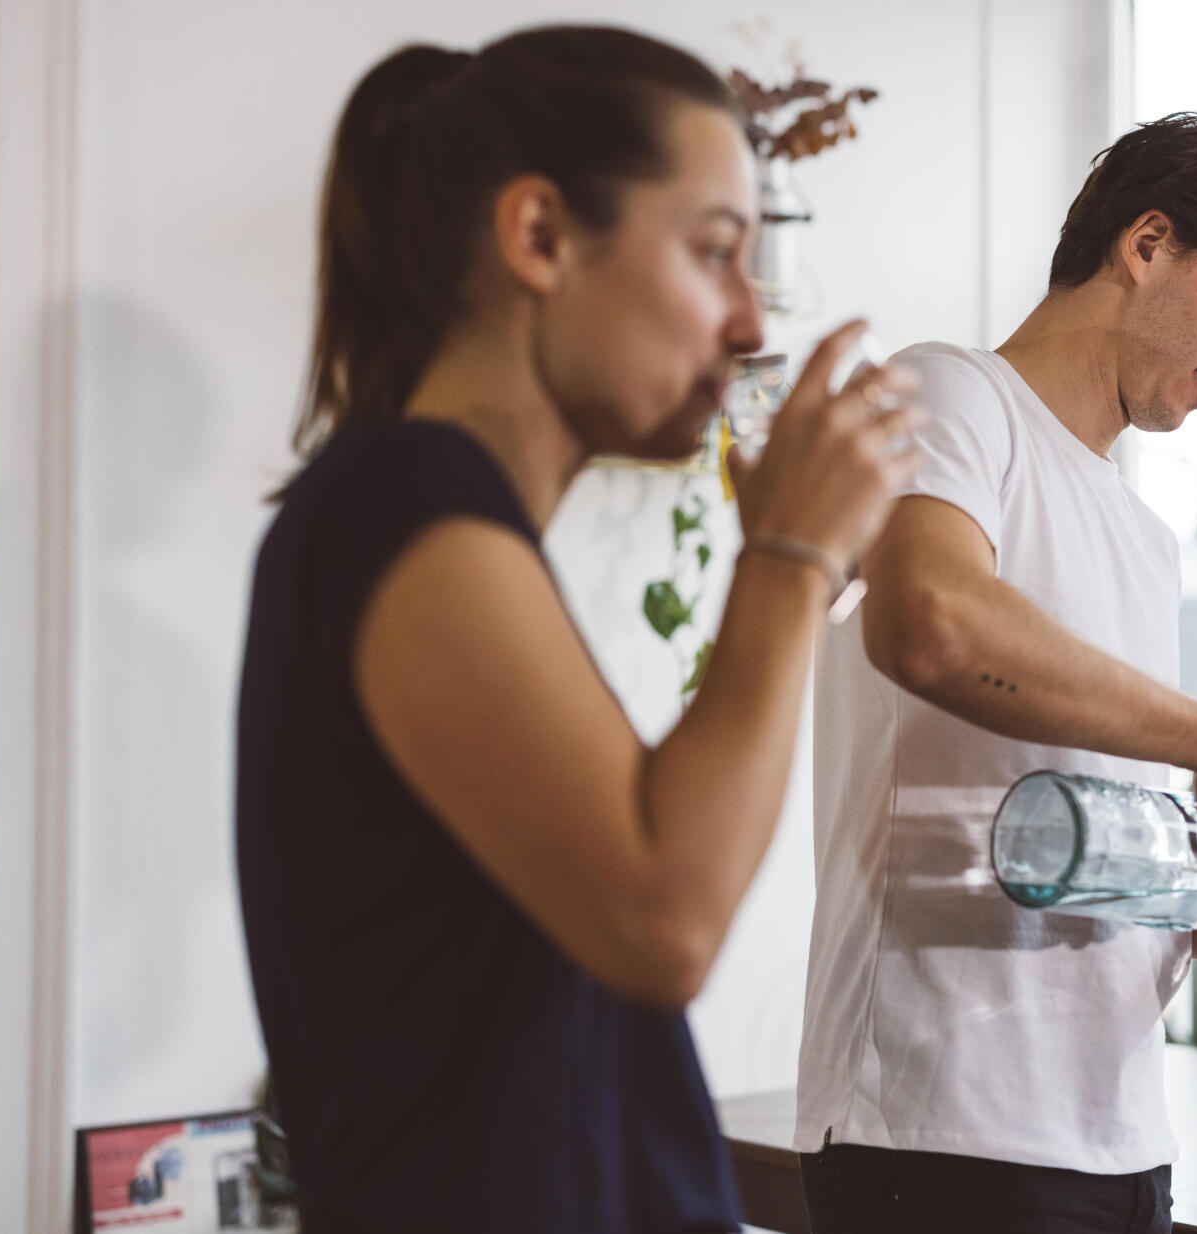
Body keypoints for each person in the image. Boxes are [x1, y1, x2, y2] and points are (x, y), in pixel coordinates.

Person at [234, 26, 922, 1234]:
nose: (749, 323)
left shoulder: (442, 518)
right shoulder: (400, 501)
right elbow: (666, 916)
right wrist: (788, 560)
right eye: (715, 252)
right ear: (541, 236)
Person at [794, 113, 1197, 1233]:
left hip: (1118, 1144)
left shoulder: (1142, 537)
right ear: (1149, 242)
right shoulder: (949, 396)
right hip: (936, 1132)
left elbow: (1095, 849)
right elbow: (928, 621)